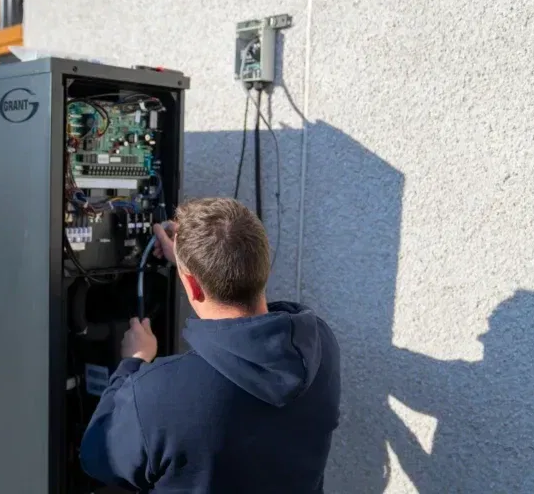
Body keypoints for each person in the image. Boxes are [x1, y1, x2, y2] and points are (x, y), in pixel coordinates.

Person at [79, 197, 341, 493]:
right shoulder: (320, 345)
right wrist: (194, 264)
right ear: (263, 266)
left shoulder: (157, 394)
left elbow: (96, 458)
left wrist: (132, 363)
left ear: (190, 285)